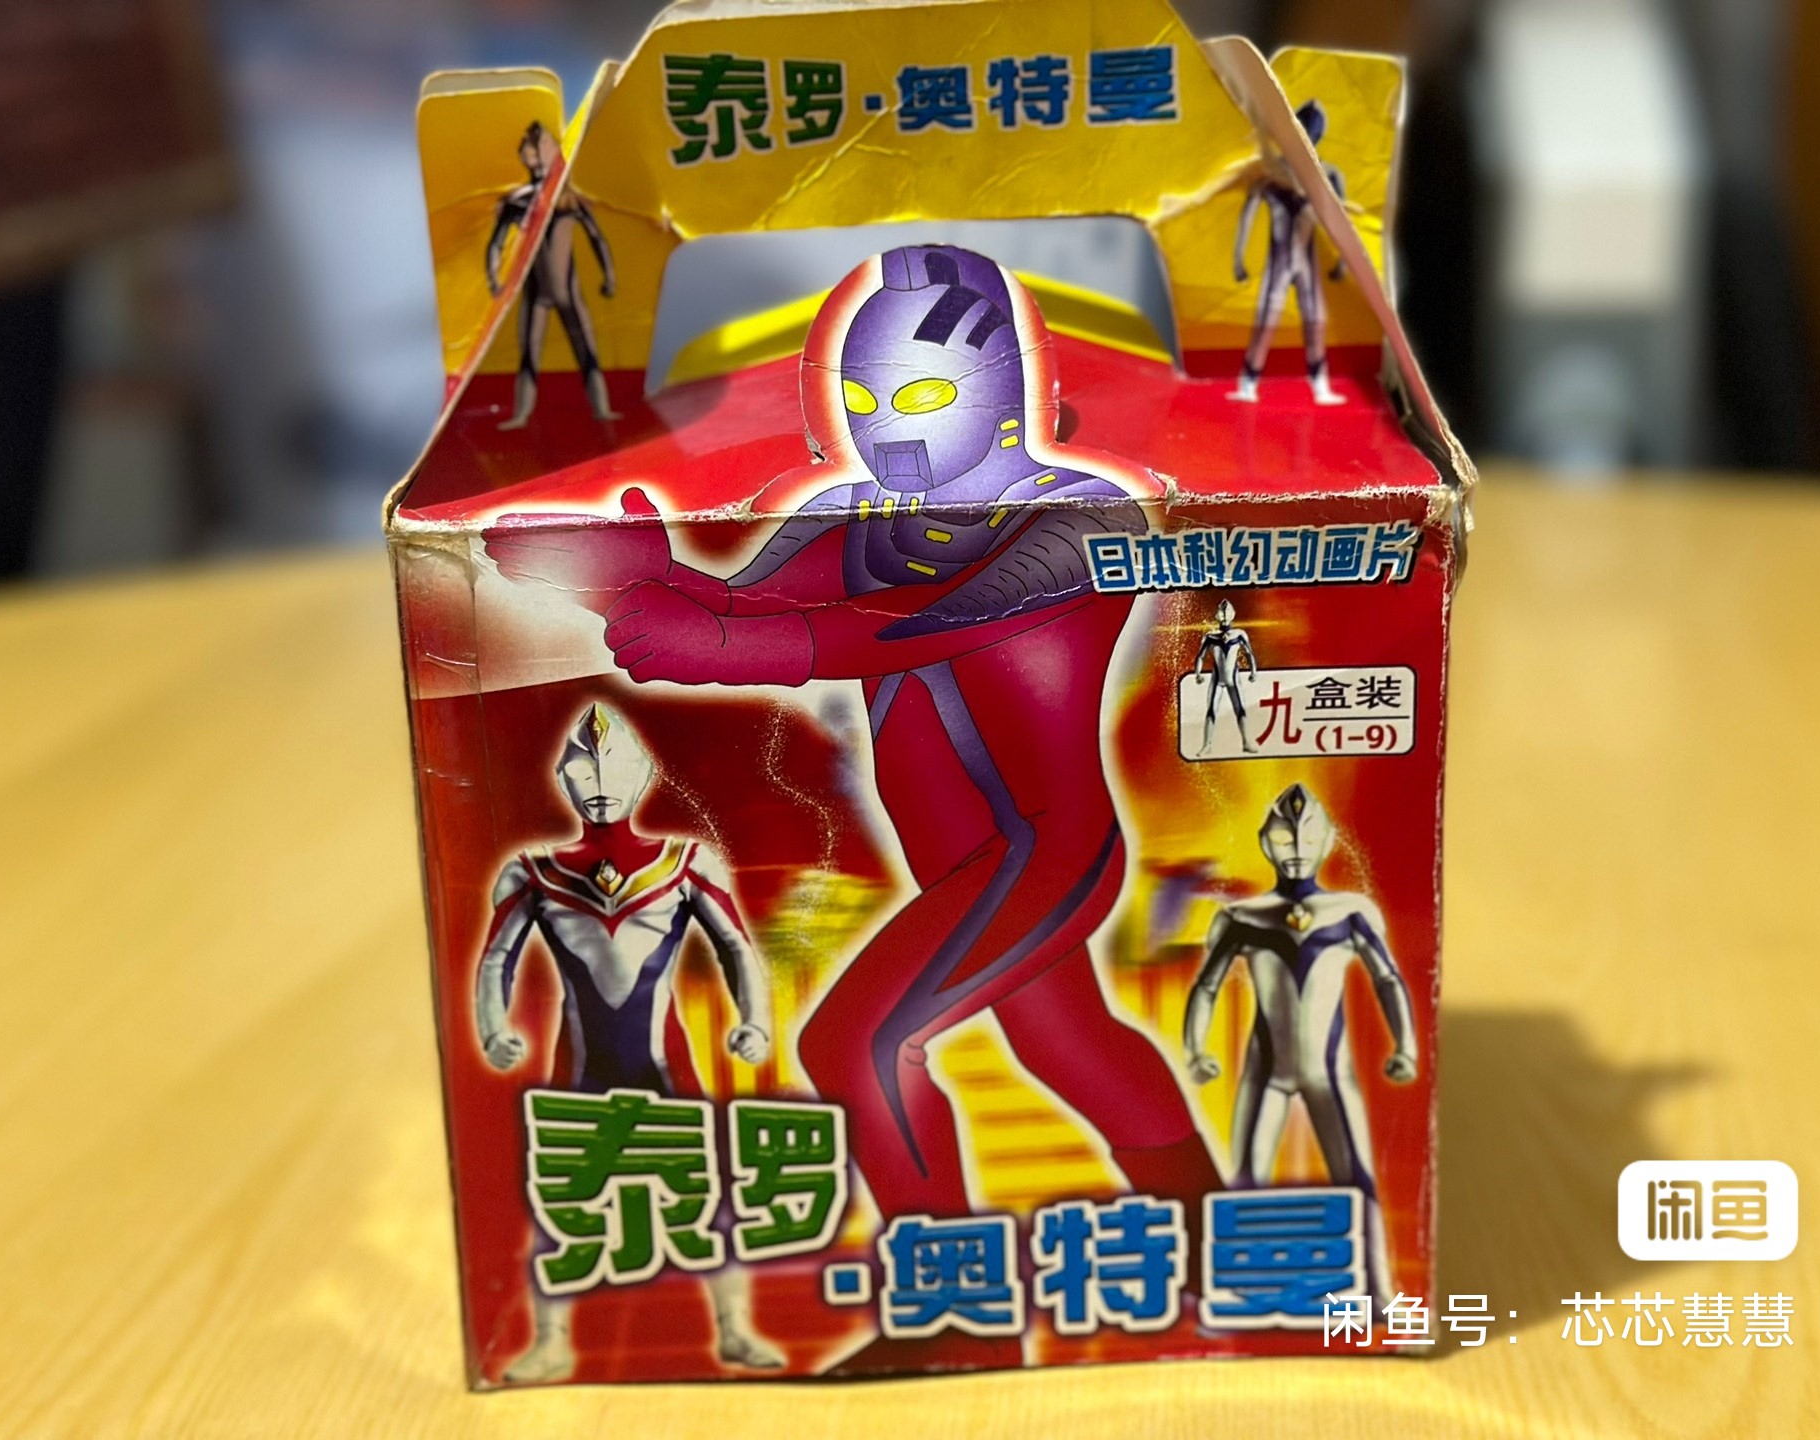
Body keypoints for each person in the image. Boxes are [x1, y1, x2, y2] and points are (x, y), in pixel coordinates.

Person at [484, 245, 1224, 1373]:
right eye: (867, 404)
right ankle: (1220, 1244)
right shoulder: (853, 516)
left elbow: (910, 627)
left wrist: (713, 636)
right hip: (961, 864)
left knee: (860, 1044)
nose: (890, 433)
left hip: (1044, 855)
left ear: (1005, 384)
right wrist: (628, 575)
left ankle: (960, 1322)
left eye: (921, 398)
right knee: (1069, 1044)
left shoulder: (1085, 520)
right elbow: (736, 603)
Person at [474, 703, 782, 1380]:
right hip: (581, 1062)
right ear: (564, 778)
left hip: (662, 1059)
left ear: (642, 774)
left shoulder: (685, 862)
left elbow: (736, 946)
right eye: (584, 768)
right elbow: (496, 959)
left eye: (613, 765)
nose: (600, 780)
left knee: (704, 1187)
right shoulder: (533, 871)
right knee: (563, 1191)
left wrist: (755, 1021)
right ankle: (551, 1340)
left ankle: (734, 1327)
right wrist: (493, 1027)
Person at [1183, 783, 1418, 1305]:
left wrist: (1405, 1045)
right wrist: (1196, 1048)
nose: (1295, 848)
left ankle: (1377, 1289)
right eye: (1285, 838)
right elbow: (1207, 986)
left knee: (1355, 1176)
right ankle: (1234, 1289)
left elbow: (1387, 979)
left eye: (1307, 837)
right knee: (1246, 1180)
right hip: (1266, 1072)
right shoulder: (1243, 917)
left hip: (1329, 1073)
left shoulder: (1349, 912)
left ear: (1327, 841)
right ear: (1266, 842)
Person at [485, 121, 618, 428]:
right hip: (536, 291)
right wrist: (493, 279)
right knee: (529, 353)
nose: (534, 149)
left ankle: (602, 409)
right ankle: (522, 414)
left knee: (586, 350)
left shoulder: (568, 199)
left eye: (541, 143)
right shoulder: (519, 202)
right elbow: (496, 243)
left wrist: (609, 275)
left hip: (568, 289)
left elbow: (597, 239)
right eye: (532, 144)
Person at [1231, 100, 1347, 406]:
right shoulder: (1273, 174)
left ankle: (1319, 386)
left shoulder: (1327, 175)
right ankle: (1248, 383)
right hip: (1281, 261)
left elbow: (1344, 223)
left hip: (1302, 260)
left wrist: (1342, 261)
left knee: (1315, 321)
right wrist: (1238, 258)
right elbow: (1248, 212)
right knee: (1268, 322)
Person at [1191, 598, 1258, 755]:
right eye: (1222, 610)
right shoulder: (1210, 636)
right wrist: (1197, 673)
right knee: (1211, 710)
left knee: (1240, 709)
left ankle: (1246, 741)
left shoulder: (1238, 634)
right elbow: (1200, 656)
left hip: (1233, 678)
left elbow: (1249, 653)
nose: (1225, 612)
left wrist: (1253, 671)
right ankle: (1207, 745)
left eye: (1227, 610)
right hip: (1218, 679)